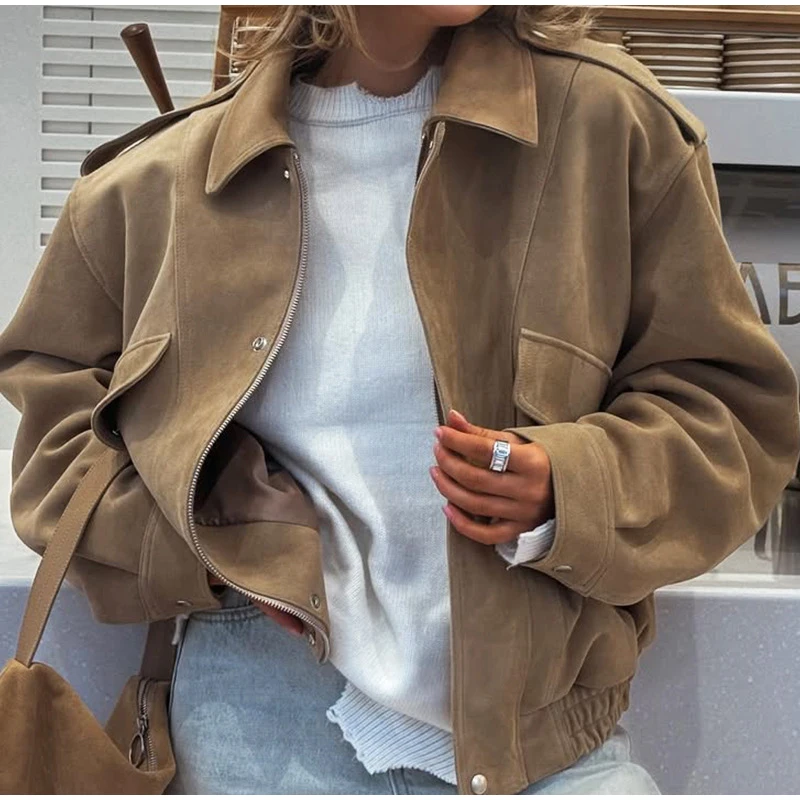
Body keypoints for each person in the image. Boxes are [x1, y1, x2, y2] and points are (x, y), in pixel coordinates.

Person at [1, 4, 798, 795]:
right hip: (256, 722)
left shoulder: (609, 128)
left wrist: (570, 486)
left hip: (545, 740)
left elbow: (730, 412)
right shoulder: (161, 178)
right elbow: (55, 439)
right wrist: (207, 541)